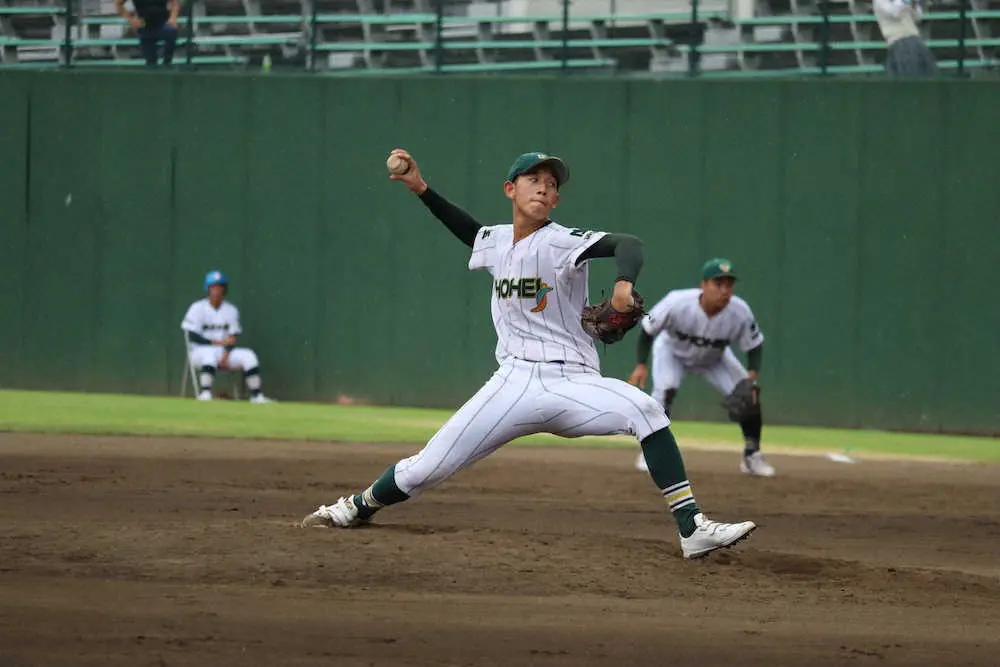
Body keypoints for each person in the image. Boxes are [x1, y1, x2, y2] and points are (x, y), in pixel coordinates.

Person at [300, 149, 757, 559]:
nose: (544, 186)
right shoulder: (497, 241)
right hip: (512, 383)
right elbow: (468, 230)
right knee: (425, 470)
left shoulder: (561, 241)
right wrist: (420, 187)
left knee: (647, 409)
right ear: (510, 189)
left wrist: (622, 285)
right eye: (533, 178)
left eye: (552, 183)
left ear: (556, 200)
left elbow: (628, 244)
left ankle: (691, 528)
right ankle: (355, 507)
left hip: (573, 383)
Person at [628, 259, 773, 477]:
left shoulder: (740, 311)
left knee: (748, 396)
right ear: (703, 285)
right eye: (718, 284)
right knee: (663, 393)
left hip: (715, 359)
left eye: (729, 285)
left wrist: (751, 376)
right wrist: (641, 364)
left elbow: (754, 345)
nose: (725, 290)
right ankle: (652, 453)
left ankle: (752, 455)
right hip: (672, 352)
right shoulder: (676, 302)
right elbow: (648, 330)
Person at [181, 270, 273, 404]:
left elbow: (232, 337)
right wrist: (215, 342)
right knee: (209, 355)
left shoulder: (231, 310)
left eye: (220, 287)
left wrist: (226, 353)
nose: (217, 291)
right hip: (198, 351)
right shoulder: (197, 308)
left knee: (249, 355)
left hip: (223, 352)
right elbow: (191, 335)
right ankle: (205, 393)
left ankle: (257, 396)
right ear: (208, 289)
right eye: (214, 287)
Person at [873, 0, 938, 77]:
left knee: (929, 76)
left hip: (916, 39)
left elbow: (917, 17)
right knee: (910, 77)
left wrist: (914, 4)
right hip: (899, 42)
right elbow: (895, 13)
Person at [115, 0, 181, 67]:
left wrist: (173, 17)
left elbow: (175, 3)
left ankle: (167, 62)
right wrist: (131, 20)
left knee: (171, 33)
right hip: (144, 26)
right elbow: (118, 4)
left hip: (163, 23)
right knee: (151, 62)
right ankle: (154, 68)